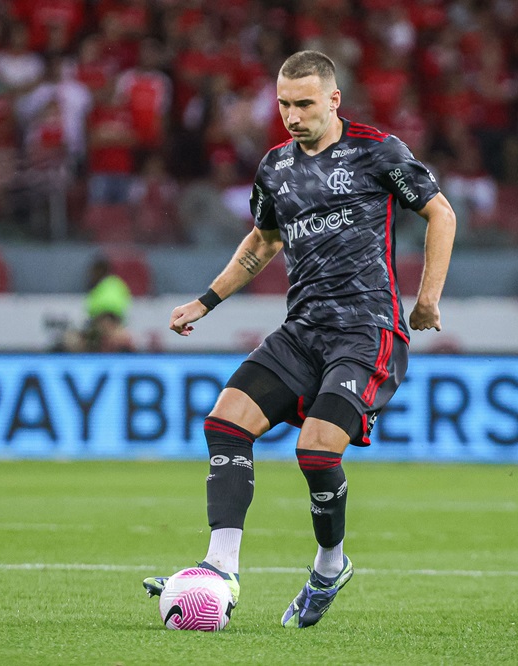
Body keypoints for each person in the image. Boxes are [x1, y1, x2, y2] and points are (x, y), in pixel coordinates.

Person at [142, 51, 456, 628]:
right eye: (284, 104)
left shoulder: (376, 151)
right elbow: (262, 243)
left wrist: (428, 298)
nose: (292, 115)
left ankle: (329, 567)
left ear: (334, 100)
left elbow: (441, 214)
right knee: (225, 423)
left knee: (315, 451)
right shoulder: (275, 168)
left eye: (305, 103)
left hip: (366, 331)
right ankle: (220, 567)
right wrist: (205, 301)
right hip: (303, 331)